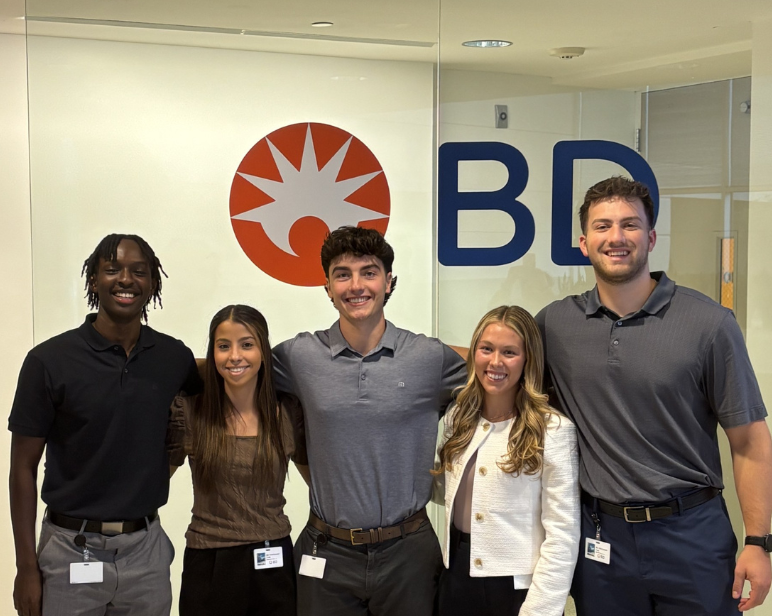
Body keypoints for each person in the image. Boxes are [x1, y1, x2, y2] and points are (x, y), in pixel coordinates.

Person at [536, 176, 772, 615]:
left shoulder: (709, 324)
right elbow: (498, 363)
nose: (617, 237)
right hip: (600, 539)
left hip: (692, 536)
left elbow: (750, 440)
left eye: (630, 225)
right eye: (603, 226)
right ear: (583, 243)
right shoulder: (555, 325)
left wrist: (759, 542)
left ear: (651, 237)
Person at [273, 225, 467, 616]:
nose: (356, 285)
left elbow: (495, 367)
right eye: (342, 274)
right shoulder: (300, 356)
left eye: (369, 272)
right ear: (327, 287)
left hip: (407, 552)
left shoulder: (428, 358)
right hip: (325, 551)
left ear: (389, 282)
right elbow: (234, 367)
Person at [9, 233, 201, 616]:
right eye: (112, 269)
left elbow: (223, 392)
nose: (126, 280)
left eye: (139, 272)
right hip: (68, 552)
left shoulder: (172, 358)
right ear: (94, 281)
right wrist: (26, 568)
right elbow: (21, 469)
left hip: (146, 554)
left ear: (153, 283)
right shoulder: (49, 361)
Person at [434, 305, 579, 616]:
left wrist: (540, 610)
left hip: (517, 590)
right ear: (474, 352)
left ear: (528, 360)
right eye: (487, 349)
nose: (495, 362)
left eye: (509, 352)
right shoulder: (457, 417)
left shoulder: (552, 430)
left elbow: (563, 534)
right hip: (456, 575)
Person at [168, 304, 308, 616]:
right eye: (223, 346)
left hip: (273, 560)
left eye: (247, 344)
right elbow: (153, 482)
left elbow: (320, 486)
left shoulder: (287, 413)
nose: (234, 356)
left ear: (263, 350)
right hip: (208, 560)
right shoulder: (190, 411)